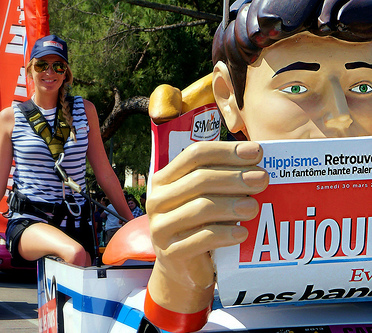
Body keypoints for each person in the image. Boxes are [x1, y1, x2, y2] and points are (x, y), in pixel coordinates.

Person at [144, 0, 372, 331]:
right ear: (228, 97)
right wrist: (178, 277)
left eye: (364, 87)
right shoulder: (202, 215)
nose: (340, 115)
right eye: (297, 88)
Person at [0, 35, 133, 269]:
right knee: (75, 254)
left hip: (77, 223)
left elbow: (104, 173)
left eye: (58, 66)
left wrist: (130, 223)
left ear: (66, 73)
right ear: (30, 71)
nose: (50, 72)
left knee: (85, 270)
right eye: (42, 65)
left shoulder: (85, 110)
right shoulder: (10, 117)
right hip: (29, 222)